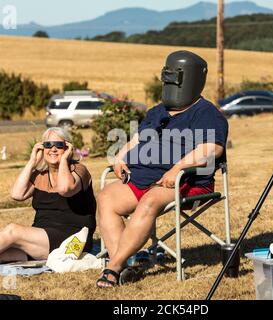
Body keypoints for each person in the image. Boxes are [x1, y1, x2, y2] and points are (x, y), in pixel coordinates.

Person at [96, 50, 228, 287]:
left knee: (150, 201)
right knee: (107, 198)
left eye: (175, 77)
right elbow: (137, 140)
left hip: (186, 182)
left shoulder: (206, 113)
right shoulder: (157, 111)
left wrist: (178, 167)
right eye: (167, 76)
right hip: (142, 178)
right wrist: (120, 157)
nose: (170, 81)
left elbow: (212, 149)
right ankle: (125, 264)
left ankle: (113, 267)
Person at [0, 127, 96, 275]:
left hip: (71, 238)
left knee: (13, 230)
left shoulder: (79, 170)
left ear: (67, 148)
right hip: (40, 239)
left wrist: (64, 161)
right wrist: (32, 161)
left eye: (58, 145)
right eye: (48, 144)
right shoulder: (39, 175)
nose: (53, 149)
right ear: (42, 148)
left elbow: (65, 189)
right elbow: (17, 194)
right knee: (1, 254)